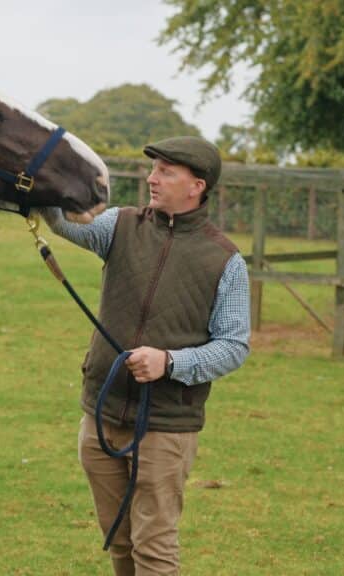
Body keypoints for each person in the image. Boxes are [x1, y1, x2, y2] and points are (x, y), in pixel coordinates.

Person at [42, 136, 250, 575]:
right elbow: (64, 223)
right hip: (101, 416)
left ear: (197, 185)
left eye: (165, 172)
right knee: (119, 542)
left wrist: (170, 362)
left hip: (166, 427)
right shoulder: (120, 225)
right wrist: (35, 186)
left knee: (153, 551)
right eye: (153, 169)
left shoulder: (225, 260)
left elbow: (234, 346)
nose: (151, 179)